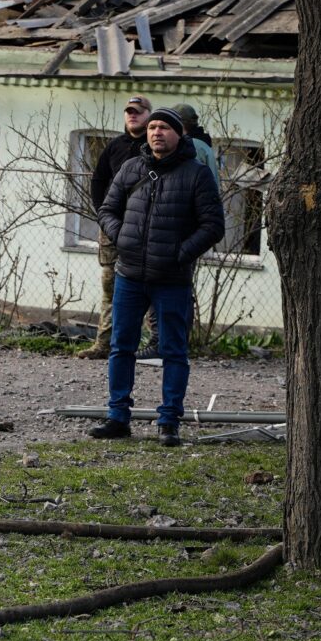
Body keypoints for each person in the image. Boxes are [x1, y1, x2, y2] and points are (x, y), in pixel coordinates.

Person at [89, 107, 224, 446]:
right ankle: (118, 417)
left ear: (179, 134)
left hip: (172, 279)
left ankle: (169, 422)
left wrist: (179, 255)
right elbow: (107, 208)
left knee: (174, 351)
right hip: (130, 275)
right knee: (121, 348)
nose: (156, 133)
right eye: (152, 128)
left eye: (164, 127)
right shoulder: (132, 168)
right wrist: (122, 237)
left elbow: (213, 226)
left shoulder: (196, 175)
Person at [137, 103, 219, 359]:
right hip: (185, 234)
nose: (158, 132)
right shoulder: (205, 147)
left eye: (166, 125)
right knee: (181, 290)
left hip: (176, 232)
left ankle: (162, 342)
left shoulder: (192, 151)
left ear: (180, 125)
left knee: (163, 287)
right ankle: (175, 342)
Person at [77, 95, 152, 359]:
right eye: (129, 112)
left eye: (138, 112)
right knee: (110, 284)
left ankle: (155, 343)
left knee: (150, 282)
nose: (133, 116)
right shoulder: (115, 146)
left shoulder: (155, 147)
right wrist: (103, 215)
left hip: (145, 229)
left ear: (148, 116)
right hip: (112, 227)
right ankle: (104, 344)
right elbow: (98, 182)